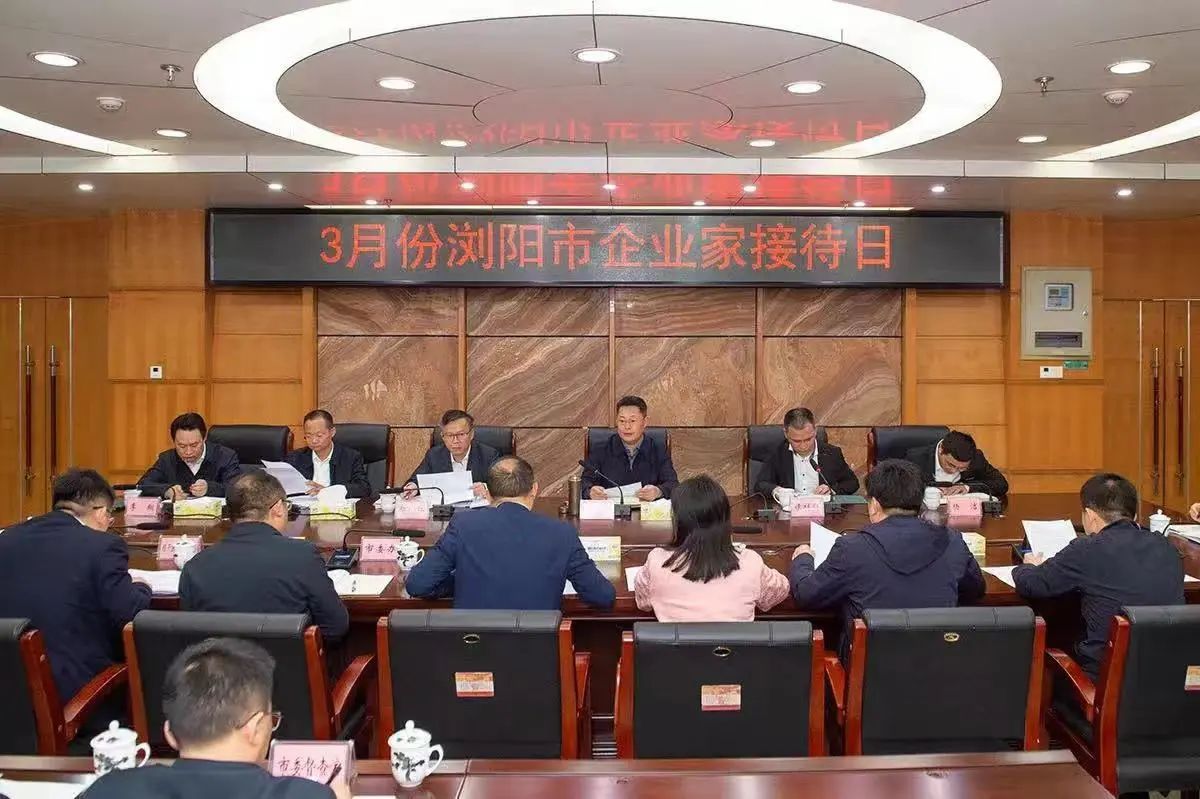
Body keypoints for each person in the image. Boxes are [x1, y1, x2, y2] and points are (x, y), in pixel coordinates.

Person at [83, 638, 348, 799]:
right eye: (272, 719)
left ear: (169, 733)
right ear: (255, 727)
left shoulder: (109, 789)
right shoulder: (307, 795)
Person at [0, 469, 151, 734]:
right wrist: (141, 587)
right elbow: (130, 612)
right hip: (72, 697)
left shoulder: (6, 539)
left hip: (9, 691)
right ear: (100, 512)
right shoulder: (102, 547)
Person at [789, 459, 986, 657]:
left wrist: (803, 559)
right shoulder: (952, 542)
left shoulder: (853, 549)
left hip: (869, 670)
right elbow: (975, 590)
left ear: (874, 505)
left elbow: (807, 595)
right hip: (936, 665)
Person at [1013, 473, 1184, 680]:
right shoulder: (1167, 547)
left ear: (1090, 516)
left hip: (1105, 685)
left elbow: (1032, 584)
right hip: (1169, 679)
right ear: (1135, 516)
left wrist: (1028, 566)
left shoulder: (1088, 549)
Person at [406, 456, 616, 610]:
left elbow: (418, 584)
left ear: (488, 493)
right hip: (536, 655)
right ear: (534, 489)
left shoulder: (463, 525)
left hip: (473, 653)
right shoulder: (561, 533)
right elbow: (603, 596)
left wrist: (460, 581)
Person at [180, 471, 348, 645]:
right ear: (278, 508)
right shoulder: (302, 555)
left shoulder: (195, 566)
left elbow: (191, 638)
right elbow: (335, 627)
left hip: (220, 662)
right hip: (286, 662)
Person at [634, 474, 789, 621]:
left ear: (677, 520)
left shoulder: (657, 562)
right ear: (725, 519)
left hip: (677, 642)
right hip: (735, 642)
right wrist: (800, 558)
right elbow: (780, 591)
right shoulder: (750, 562)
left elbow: (643, 602)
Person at [582, 395, 678, 501]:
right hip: (610, 510)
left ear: (645, 422)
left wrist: (658, 491)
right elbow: (584, 483)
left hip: (646, 510)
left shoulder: (658, 450)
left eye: (632, 421)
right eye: (622, 421)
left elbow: (673, 484)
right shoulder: (600, 449)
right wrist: (590, 491)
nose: (627, 427)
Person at [754, 407, 859, 501]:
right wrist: (778, 491)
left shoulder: (831, 453)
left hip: (823, 511)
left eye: (808, 439)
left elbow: (852, 483)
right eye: (797, 441)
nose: (803, 446)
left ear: (815, 431)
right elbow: (761, 484)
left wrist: (831, 490)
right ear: (786, 434)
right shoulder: (777, 453)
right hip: (789, 512)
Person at [139, 412, 242, 500]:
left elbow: (238, 489)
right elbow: (143, 485)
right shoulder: (167, 459)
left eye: (194, 445)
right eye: (182, 446)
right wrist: (166, 491)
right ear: (173, 441)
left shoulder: (225, 456)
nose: (188, 452)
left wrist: (209, 488)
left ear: (204, 438)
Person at [402, 409, 498, 500]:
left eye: (461, 434)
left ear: (471, 434)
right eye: (450, 435)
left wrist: (485, 488)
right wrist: (413, 486)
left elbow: (500, 487)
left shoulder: (489, 455)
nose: (455, 441)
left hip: (476, 509)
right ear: (443, 437)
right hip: (444, 510)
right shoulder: (434, 455)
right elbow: (417, 479)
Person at [284, 409, 371, 498]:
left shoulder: (351, 457)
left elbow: (363, 488)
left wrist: (328, 491)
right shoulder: (295, 458)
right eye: (308, 436)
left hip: (335, 505)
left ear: (332, 432)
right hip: (304, 505)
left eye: (319, 435)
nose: (314, 440)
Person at [903, 429, 1008, 498]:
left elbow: (1001, 484)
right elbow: (904, 490)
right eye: (950, 465)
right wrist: (930, 490)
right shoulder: (916, 458)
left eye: (962, 468)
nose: (954, 471)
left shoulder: (976, 458)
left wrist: (967, 487)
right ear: (941, 450)